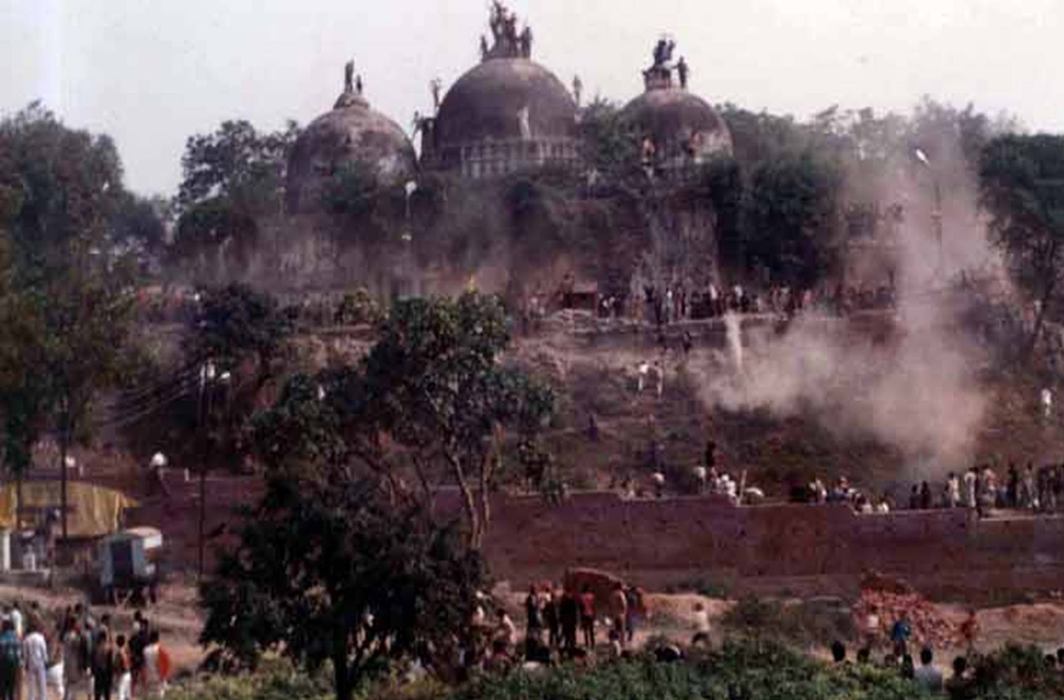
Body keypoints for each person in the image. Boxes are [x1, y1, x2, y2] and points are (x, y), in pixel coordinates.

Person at [140, 630, 170, 698]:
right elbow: (166, 664)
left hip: (148, 677)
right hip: (158, 678)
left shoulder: (145, 650)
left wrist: (143, 678)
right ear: (157, 639)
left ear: (150, 639)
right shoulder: (160, 650)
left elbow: (143, 665)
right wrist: (164, 678)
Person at [22, 623, 48, 700]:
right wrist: (46, 660)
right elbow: (44, 650)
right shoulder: (40, 637)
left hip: (31, 662)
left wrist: (25, 663)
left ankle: (31, 698)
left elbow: (25, 653)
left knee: (31, 685)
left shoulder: (27, 639)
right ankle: (43, 698)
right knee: (42, 684)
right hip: (40, 662)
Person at [92, 630, 116, 700]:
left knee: (97, 693)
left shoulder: (95, 648)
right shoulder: (108, 648)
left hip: (98, 673)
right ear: (105, 638)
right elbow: (110, 663)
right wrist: (111, 675)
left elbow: (93, 661)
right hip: (106, 673)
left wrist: (94, 671)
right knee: (107, 694)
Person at [0, 619, 19, 700]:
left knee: (3, 683)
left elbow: (1, 649)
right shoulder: (15, 637)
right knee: (12, 683)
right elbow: (18, 651)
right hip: (14, 662)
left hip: (3, 662)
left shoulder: (2, 636)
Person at [114, 635, 132, 700]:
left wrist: (117, 675)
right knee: (127, 696)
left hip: (122, 675)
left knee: (121, 695)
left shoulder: (119, 653)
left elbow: (117, 665)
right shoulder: (127, 651)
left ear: (117, 642)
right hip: (128, 674)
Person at [578, 585, 596, 649]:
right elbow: (593, 606)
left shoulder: (581, 597)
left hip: (584, 614)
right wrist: (594, 615)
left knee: (585, 630)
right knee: (591, 630)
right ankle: (593, 643)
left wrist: (580, 616)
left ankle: (587, 643)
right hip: (590, 614)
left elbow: (580, 607)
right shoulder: (592, 596)